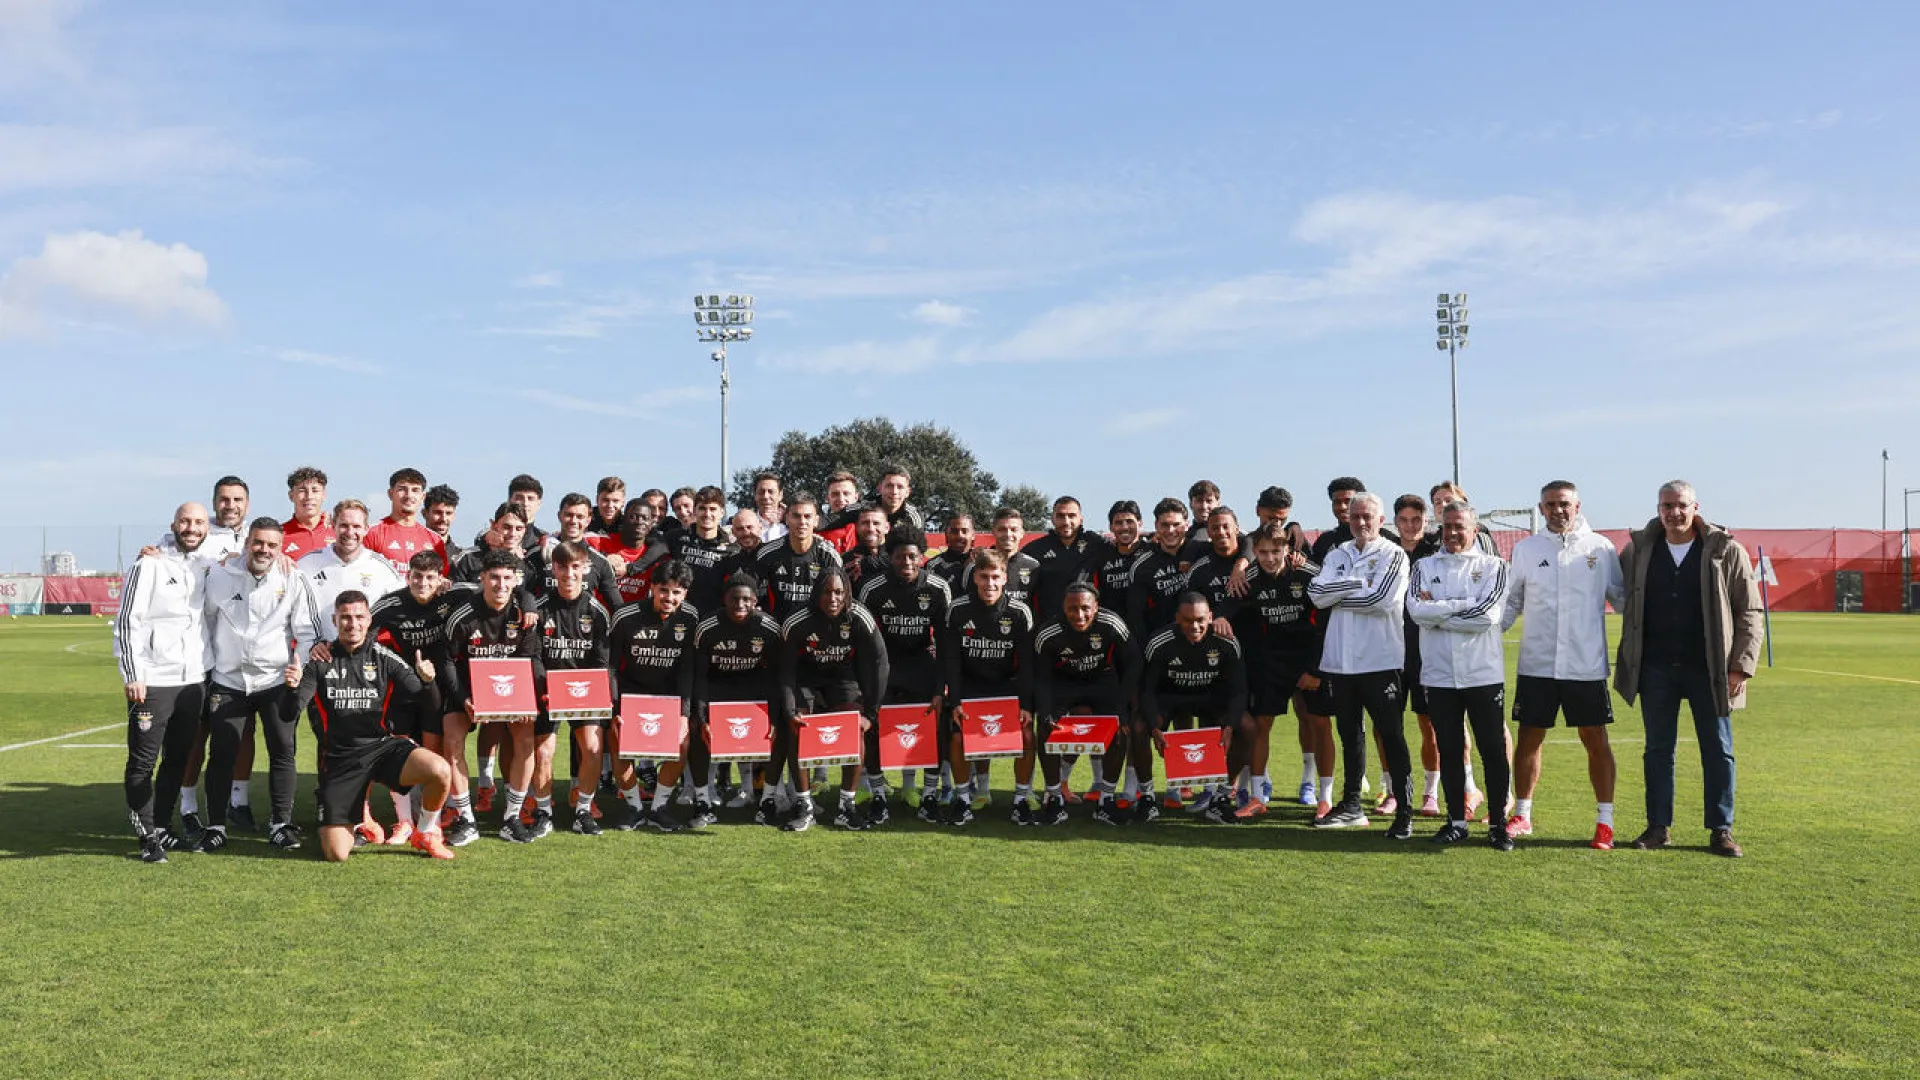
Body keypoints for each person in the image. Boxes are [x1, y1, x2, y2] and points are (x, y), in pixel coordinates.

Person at [1613, 480, 1761, 858]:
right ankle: (1658, 827)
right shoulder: (1638, 549)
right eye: (1666, 505)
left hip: (1709, 669)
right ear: (1658, 508)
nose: (1673, 513)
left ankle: (1721, 829)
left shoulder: (1726, 549)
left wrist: (1741, 666)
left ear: (1696, 507)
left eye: (1681, 505)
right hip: (1656, 668)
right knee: (1658, 750)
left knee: (1719, 750)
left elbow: (1750, 610)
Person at [1502, 480, 1626, 849]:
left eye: (1564, 504)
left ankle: (1605, 820)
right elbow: (1511, 602)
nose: (1558, 510)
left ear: (1577, 505)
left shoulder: (1601, 548)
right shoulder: (1526, 549)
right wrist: (1487, 632)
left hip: (1585, 666)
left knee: (1595, 740)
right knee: (1529, 738)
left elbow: (1622, 599)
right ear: (1540, 509)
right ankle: (1522, 813)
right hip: (1537, 664)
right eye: (1551, 505)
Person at [290, 590, 456, 862]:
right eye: (345, 618)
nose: (352, 624)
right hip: (340, 759)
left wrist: (427, 681)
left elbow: (429, 703)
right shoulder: (320, 661)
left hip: (381, 748)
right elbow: (291, 712)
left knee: (439, 770)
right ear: (335, 620)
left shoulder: (384, 657)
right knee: (336, 854)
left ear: (369, 620)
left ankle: (425, 832)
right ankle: (354, 817)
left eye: (359, 617)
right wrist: (292, 688)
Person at [198, 517, 326, 853]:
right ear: (246, 543)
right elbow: (205, 621)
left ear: (280, 548)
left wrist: (299, 665)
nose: (264, 550)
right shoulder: (221, 574)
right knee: (223, 753)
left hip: (275, 680)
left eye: (271, 545)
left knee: (283, 752)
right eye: (258, 542)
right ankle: (216, 826)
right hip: (229, 681)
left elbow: (306, 632)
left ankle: (280, 823)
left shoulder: (293, 577)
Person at [1407, 501, 1514, 850]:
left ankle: (1498, 824)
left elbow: (1489, 616)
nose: (1453, 532)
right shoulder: (1424, 566)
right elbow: (1416, 611)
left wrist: (1440, 611)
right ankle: (1456, 821)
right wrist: (1461, 604)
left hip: (1482, 674)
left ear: (1475, 530)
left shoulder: (1495, 566)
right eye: (1447, 526)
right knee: (1449, 750)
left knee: (1492, 750)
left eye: (1460, 527)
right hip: (1438, 676)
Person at [1308, 491, 1413, 838]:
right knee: (1349, 734)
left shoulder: (1394, 553)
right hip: (1340, 663)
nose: (1362, 522)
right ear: (1348, 520)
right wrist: (1354, 583)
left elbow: (1381, 600)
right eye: (1356, 517)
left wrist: (1337, 593)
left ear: (1381, 520)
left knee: (1392, 735)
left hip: (1381, 661)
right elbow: (1316, 596)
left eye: (1368, 516)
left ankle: (1404, 808)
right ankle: (1352, 804)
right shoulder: (1337, 554)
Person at [116, 503, 213, 863]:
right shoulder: (149, 564)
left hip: (192, 681)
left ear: (207, 528)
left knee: (177, 759)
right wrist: (133, 673)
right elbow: (128, 621)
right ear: (173, 525)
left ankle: (161, 827)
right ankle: (145, 835)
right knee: (143, 761)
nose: (192, 528)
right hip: (153, 680)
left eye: (199, 522)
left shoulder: (209, 563)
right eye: (185, 521)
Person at [439, 549, 544, 846]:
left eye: (507, 578)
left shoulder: (525, 615)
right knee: (452, 739)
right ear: (482, 578)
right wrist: (463, 699)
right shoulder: (462, 616)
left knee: (525, 737)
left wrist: (527, 699)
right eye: (494, 577)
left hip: (508, 690)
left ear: (515, 581)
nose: (500, 584)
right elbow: (447, 661)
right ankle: (466, 818)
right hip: (467, 689)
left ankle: (511, 817)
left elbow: (530, 659)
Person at [1232, 520, 1335, 818]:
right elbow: (1232, 606)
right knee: (1262, 725)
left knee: (1319, 723)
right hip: (1271, 662)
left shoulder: (1308, 574)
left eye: (1275, 551)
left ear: (1287, 550)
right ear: (1255, 552)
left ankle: (1324, 797)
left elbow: (1329, 622)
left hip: (1310, 660)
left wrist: (1316, 669)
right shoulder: (1249, 577)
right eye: (1262, 552)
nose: (1269, 558)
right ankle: (1257, 796)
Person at [365, 550, 465, 844]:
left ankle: (430, 820)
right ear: (408, 576)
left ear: (439, 579)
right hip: (403, 685)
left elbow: (489, 589)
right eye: (417, 576)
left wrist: (524, 602)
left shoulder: (451, 596)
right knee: (401, 747)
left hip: (437, 687)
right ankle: (404, 821)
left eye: (430, 577)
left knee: (434, 750)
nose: (423, 583)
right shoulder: (391, 604)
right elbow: (363, 632)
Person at [779, 567, 889, 830]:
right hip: (806, 679)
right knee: (798, 729)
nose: (833, 598)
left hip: (842, 678)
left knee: (855, 730)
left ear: (847, 593)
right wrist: (790, 709)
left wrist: (870, 714)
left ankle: (846, 806)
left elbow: (880, 663)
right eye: (827, 592)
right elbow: (785, 672)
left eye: (839, 592)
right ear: (817, 593)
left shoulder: (859, 616)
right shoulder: (797, 621)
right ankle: (803, 805)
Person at [856, 525, 952, 818]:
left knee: (933, 730)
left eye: (912, 557)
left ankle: (929, 796)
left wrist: (940, 688)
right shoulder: (872, 589)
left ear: (922, 556)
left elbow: (947, 643)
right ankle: (879, 795)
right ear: (890, 557)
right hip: (885, 666)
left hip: (923, 665)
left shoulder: (937, 588)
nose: (907, 563)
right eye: (900, 557)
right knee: (873, 727)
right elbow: (863, 641)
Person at [936, 549, 1036, 825]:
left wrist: (1026, 704)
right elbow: (951, 660)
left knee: (1027, 736)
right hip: (970, 687)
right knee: (957, 739)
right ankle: (962, 800)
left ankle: (1020, 801)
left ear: (1005, 577)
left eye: (995, 577)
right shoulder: (958, 609)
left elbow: (1027, 664)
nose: (989, 583)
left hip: (1007, 687)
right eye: (984, 577)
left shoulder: (1019, 612)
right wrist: (954, 701)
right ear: (975, 578)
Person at [1131, 594, 1249, 824]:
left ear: (1210, 617)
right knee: (1138, 727)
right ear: (1177, 619)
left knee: (1248, 726)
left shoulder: (1226, 641)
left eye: (1200, 620)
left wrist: (1230, 725)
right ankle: (1146, 797)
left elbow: (1239, 690)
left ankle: (1221, 799)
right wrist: (1155, 727)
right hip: (1170, 697)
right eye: (1187, 620)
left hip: (1209, 697)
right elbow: (1147, 690)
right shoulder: (1160, 642)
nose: (1194, 626)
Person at [1032, 583, 1137, 826]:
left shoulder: (1112, 623)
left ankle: (1106, 800)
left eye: (1085, 608)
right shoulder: (1049, 632)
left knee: (1119, 730)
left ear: (1097, 607)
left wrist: (1122, 708)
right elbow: (1042, 677)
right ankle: (1054, 798)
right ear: (1063, 608)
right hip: (1064, 682)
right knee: (1046, 727)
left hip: (1102, 680)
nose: (1079, 615)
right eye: (1072, 609)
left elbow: (1133, 663)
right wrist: (1047, 712)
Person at [608, 560, 702, 831]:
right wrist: (615, 709)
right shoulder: (626, 616)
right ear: (651, 588)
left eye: (676, 592)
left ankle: (659, 807)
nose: (669, 598)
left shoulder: (690, 617)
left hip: (669, 696)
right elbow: (611, 666)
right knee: (618, 741)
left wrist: (684, 714)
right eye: (663, 590)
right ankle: (634, 807)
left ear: (685, 593)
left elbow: (687, 669)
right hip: (631, 692)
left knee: (682, 744)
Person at [531, 541, 616, 837]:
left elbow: (603, 661)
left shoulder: (597, 612)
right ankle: (543, 812)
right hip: (547, 692)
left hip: (584, 690)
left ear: (586, 569)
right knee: (543, 752)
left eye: (575, 566)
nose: (569, 573)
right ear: (554, 568)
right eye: (563, 566)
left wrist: (603, 695)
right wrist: (544, 687)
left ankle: (583, 810)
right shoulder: (540, 609)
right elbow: (535, 656)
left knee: (593, 748)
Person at [691, 574, 790, 826]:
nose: (740, 605)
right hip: (718, 690)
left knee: (778, 735)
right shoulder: (707, 627)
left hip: (755, 691)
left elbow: (777, 676)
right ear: (724, 600)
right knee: (696, 734)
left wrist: (775, 717)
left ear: (756, 601)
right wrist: (701, 718)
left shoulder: (769, 628)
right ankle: (702, 801)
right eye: (734, 599)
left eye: (747, 599)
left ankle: (768, 799)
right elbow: (699, 677)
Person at [1391, 494, 1444, 820]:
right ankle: (1392, 791)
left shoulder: (1437, 554)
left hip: (1427, 653)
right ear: (1394, 522)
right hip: (1391, 651)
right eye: (1404, 520)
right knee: (1389, 727)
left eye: (1416, 520)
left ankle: (1430, 792)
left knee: (1430, 726)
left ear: (1425, 522)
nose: (1410, 526)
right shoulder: (1386, 553)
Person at [299, 500, 404, 621]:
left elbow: (400, 610)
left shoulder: (382, 568)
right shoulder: (306, 563)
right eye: (344, 525)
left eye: (356, 526)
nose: (350, 532)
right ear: (333, 526)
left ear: (366, 529)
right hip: (319, 640)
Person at [523, 493, 624, 611]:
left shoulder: (600, 562)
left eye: (579, 516)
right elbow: (523, 591)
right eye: (569, 515)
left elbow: (617, 606)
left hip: (583, 626)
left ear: (588, 520)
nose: (573, 521)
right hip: (545, 626)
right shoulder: (538, 555)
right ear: (559, 516)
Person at [756, 494, 843, 619]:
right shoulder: (767, 553)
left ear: (816, 521)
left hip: (818, 627)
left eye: (807, 516)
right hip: (780, 627)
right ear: (786, 519)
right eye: (796, 516)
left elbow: (840, 598)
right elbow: (756, 596)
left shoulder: (828, 555)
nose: (802, 522)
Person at [1126, 498, 1192, 635]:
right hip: (1164, 641)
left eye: (1176, 524)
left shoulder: (1201, 551)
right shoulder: (1141, 566)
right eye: (1165, 525)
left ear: (1186, 525)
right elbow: (1136, 619)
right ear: (1156, 525)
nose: (1170, 530)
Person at [591, 497, 672, 607]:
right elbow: (575, 548)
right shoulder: (600, 542)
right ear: (624, 519)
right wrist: (603, 558)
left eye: (644, 518)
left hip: (633, 619)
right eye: (633, 517)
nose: (639, 522)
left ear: (651, 523)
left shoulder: (657, 558)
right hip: (599, 617)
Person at [671, 486, 738, 615]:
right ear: (695, 510)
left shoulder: (732, 549)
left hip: (714, 618)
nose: (707, 514)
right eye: (702, 508)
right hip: (678, 617)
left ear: (722, 512)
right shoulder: (675, 538)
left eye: (713, 509)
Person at [364, 467, 446, 572]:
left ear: (422, 497)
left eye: (415, 490)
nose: (409, 495)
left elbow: (440, 580)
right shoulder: (371, 533)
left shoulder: (435, 540)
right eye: (402, 489)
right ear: (390, 493)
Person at [280, 466, 334, 561]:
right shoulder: (278, 535)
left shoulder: (339, 531)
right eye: (302, 490)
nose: (309, 496)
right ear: (291, 495)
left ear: (324, 495)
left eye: (315, 490)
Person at [925, 513, 977, 594]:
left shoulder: (982, 562)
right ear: (946, 534)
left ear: (973, 535)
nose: (959, 536)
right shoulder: (933, 566)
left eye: (964, 531)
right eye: (954, 531)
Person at [844, 505, 892, 588]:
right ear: (857, 527)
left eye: (876, 523)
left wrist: (869, 563)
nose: (870, 529)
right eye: (865, 523)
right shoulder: (847, 561)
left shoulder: (899, 556)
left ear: (887, 527)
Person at [873, 464, 926, 533]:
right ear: (880, 488)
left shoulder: (913, 517)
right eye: (889, 486)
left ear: (907, 492)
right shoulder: (864, 509)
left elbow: (916, 542)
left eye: (900, 487)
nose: (894, 492)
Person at [818, 471, 862, 553]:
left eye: (846, 493)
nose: (841, 499)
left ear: (856, 497)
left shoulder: (869, 524)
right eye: (835, 494)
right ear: (827, 498)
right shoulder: (816, 531)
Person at [424, 484, 465, 565]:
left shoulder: (462, 556)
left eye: (448, 513)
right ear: (424, 513)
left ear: (454, 516)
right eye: (438, 512)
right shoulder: (413, 547)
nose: (443, 519)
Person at [751, 472, 788, 543]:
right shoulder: (745, 526)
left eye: (771, 492)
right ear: (755, 495)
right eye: (761, 492)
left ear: (780, 495)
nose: (765, 496)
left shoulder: (793, 526)